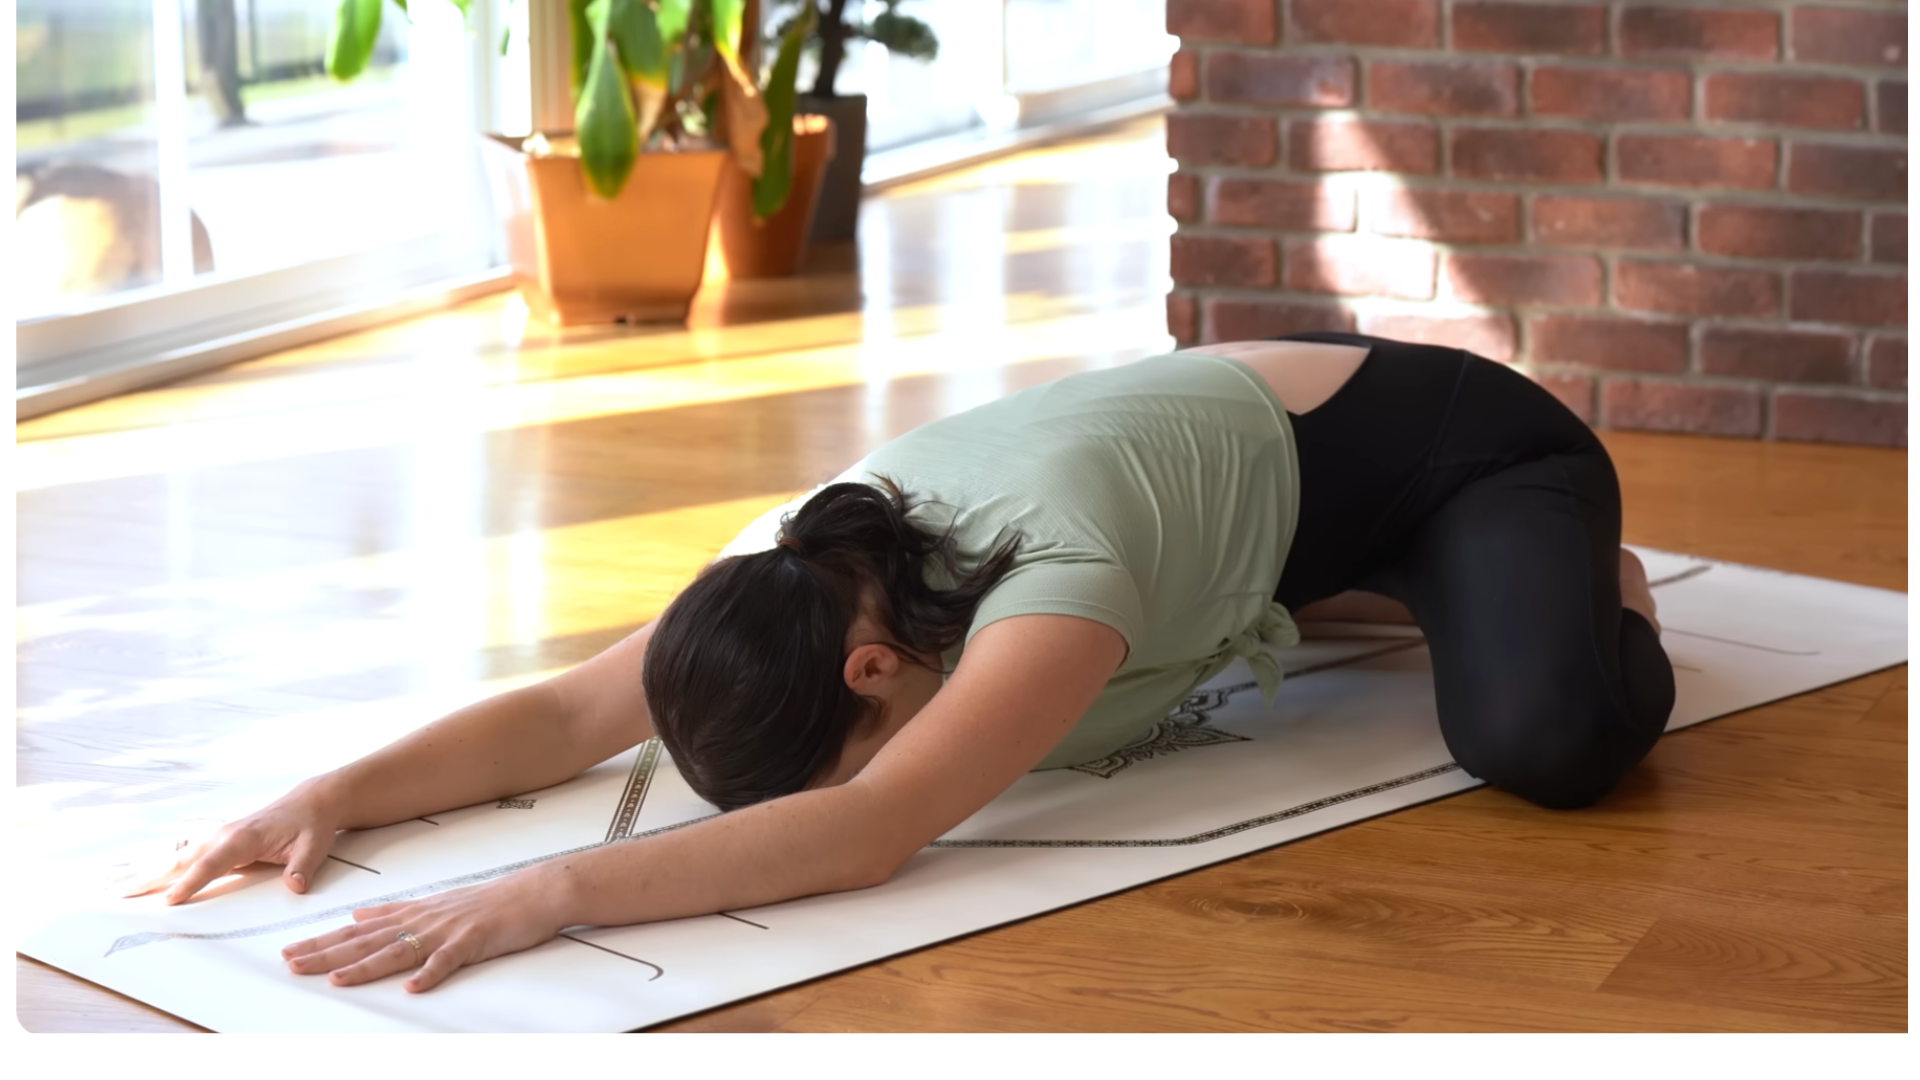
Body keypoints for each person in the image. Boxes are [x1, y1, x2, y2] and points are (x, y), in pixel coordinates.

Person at [126, 332, 1674, 994]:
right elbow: (564, 711)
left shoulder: (1053, 583)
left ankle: (1579, 586)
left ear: (872, 672)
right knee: (1242, 606)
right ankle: (1368, 597)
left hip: (1456, 453)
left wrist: (544, 892)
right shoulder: (788, 564)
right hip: (1266, 516)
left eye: (843, 738)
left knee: (1545, 740)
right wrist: (327, 792)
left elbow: (873, 829)